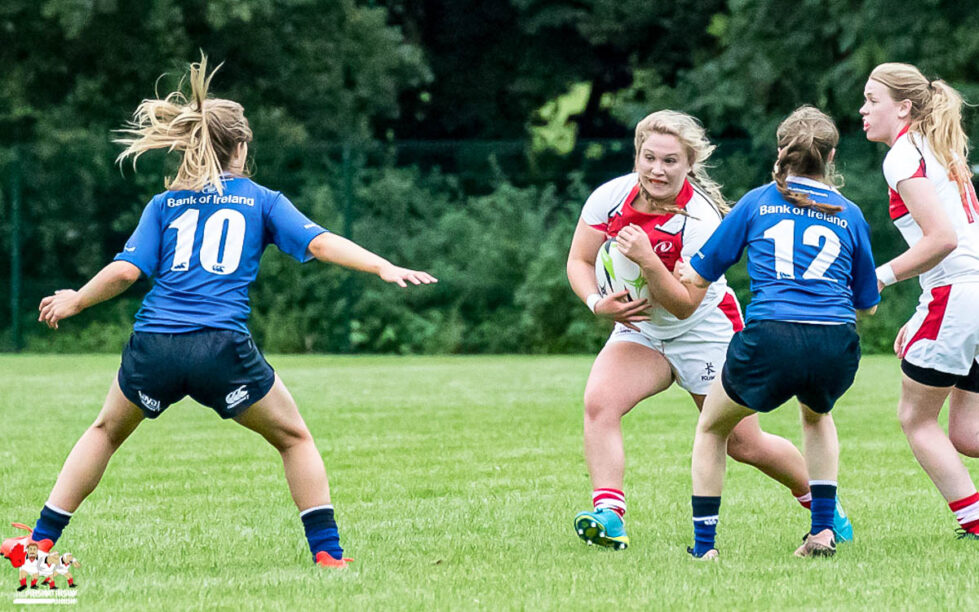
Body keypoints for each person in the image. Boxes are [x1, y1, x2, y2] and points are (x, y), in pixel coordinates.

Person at [28, 56, 437, 569]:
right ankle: (329, 555)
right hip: (220, 347)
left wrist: (76, 299)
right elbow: (321, 243)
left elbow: (126, 271)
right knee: (294, 438)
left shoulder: (164, 204)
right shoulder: (262, 200)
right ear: (241, 146)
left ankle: (39, 541)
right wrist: (382, 266)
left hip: (155, 344)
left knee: (105, 432)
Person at [565, 109, 852, 551]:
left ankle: (824, 509)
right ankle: (609, 515)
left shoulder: (699, 219)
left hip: (704, 331)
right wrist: (596, 303)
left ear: (689, 164)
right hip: (642, 332)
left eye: (670, 161)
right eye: (649, 157)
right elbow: (580, 260)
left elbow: (684, 307)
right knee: (600, 403)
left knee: (744, 444)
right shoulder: (610, 197)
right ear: (637, 155)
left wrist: (647, 260)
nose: (657, 170)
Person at [681, 105, 880, 560]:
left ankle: (705, 548)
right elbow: (867, 303)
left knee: (712, 428)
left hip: (772, 336)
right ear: (831, 157)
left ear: (781, 151)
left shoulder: (757, 202)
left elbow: (701, 272)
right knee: (817, 416)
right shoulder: (850, 214)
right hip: (834, 341)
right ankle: (823, 531)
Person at [860, 62, 979, 539]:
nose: (863, 110)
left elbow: (943, 239)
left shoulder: (903, 154)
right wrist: (921, 312)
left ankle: (975, 523)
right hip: (964, 293)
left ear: (903, 107)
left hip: (959, 294)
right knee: (967, 433)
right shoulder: (937, 147)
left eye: (872, 100)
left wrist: (878, 277)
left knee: (915, 418)